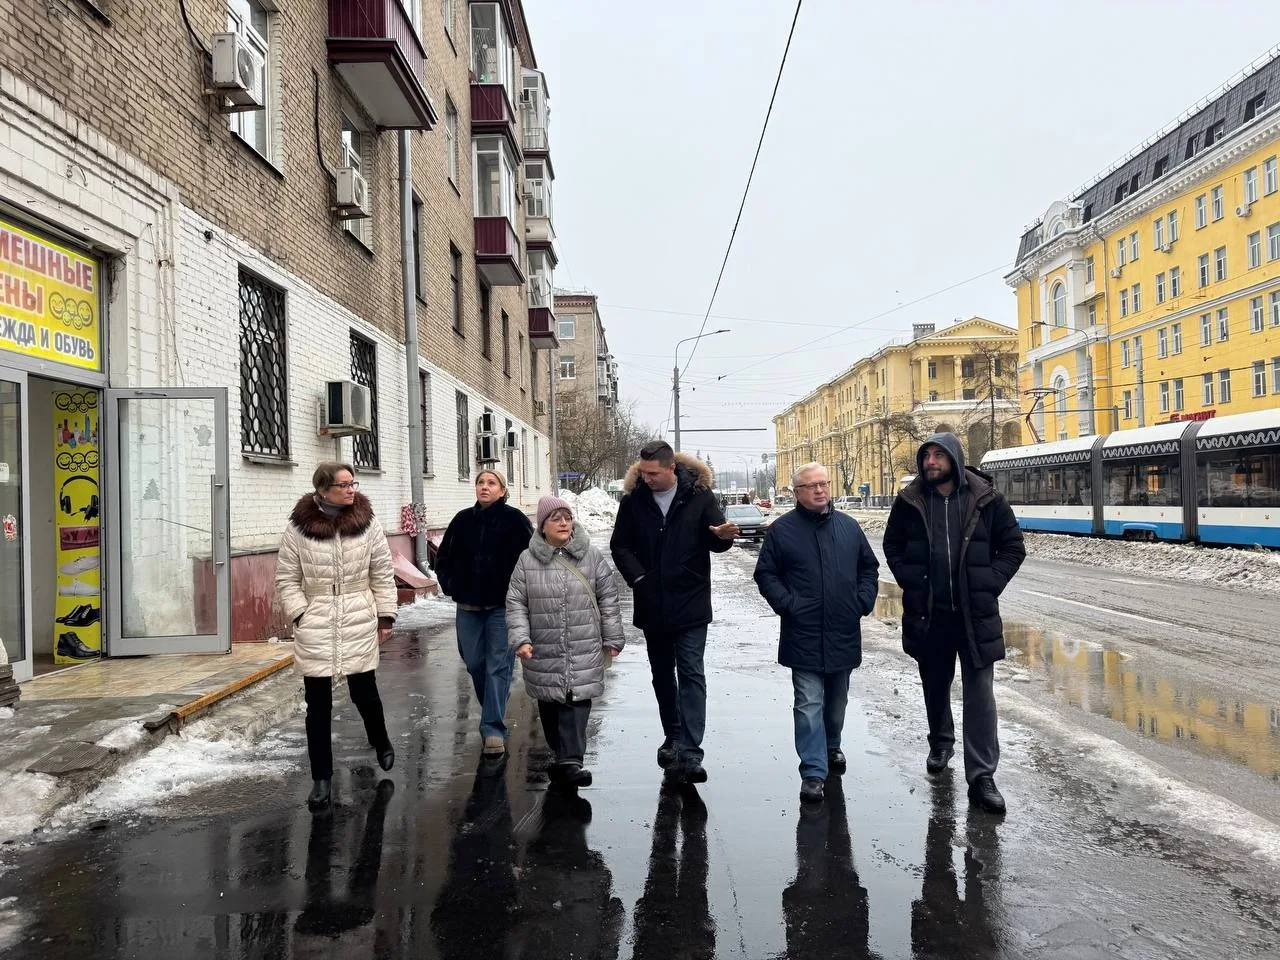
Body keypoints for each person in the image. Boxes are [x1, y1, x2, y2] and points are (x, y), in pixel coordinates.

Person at [883, 433, 1026, 814]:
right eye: (926, 455)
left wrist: (990, 582)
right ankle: (940, 742)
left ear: (955, 459)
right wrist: (909, 579)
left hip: (974, 615)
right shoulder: (910, 500)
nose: (930, 461)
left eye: (938, 455)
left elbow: (1013, 547)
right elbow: (892, 545)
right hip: (929, 614)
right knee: (935, 685)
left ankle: (982, 776)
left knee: (980, 695)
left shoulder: (987, 498)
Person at [610, 441, 739, 782]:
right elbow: (620, 545)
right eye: (642, 472)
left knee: (692, 672)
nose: (646, 478)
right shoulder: (634, 500)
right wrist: (639, 579)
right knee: (662, 673)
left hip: (691, 600)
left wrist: (722, 536)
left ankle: (692, 751)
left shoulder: (699, 496)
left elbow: (715, 539)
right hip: (652, 603)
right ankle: (673, 735)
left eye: (653, 473)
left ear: (671, 469)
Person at [754, 462, 879, 804]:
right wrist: (788, 604)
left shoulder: (849, 527)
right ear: (797, 492)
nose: (820, 490)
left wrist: (862, 602)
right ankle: (812, 770)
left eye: (824, 483)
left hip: (843, 629)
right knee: (808, 702)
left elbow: (869, 568)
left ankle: (831, 745)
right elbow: (766, 574)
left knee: (837, 702)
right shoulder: (782, 531)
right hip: (803, 632)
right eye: (812, 486)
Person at [275, 461, 398, 811]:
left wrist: (385, 616)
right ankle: (322, 778)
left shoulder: (367, 523)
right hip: (317, 617)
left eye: (352, 483)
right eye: (343, 485)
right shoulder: (299, 528)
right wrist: (301, 612)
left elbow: (382, 572)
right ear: (322, 489)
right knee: (318, 705)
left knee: (364, 692)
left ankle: (380, 739)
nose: (350, 490)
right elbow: (286, 578)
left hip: (358, 613)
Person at [507, 495, 625, 787]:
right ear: (542, 525)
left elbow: (608, 598)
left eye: (567, 518)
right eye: (555, 518)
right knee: (550, 704)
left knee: (577, 700)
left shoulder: (591, 556)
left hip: (584, 643)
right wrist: (521, 639)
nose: (563, 523)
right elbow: (516, 603)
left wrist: (612, 637)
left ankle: (572, 760)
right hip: (543, 647)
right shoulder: (526, 561)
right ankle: (563, 757)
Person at [435, 469, 533, 757]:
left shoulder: (515, 520)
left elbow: (530, 560)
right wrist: (450, 584)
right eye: (480, 482)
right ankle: (494, 705)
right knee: (475, 663)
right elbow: (443, 558)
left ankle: (492, 729)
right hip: (468, 606)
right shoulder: (463, 520)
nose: (484, 487)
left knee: (497, 667)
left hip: (503, 607)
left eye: (491, 483)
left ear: (502, 490)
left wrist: (520, 593)